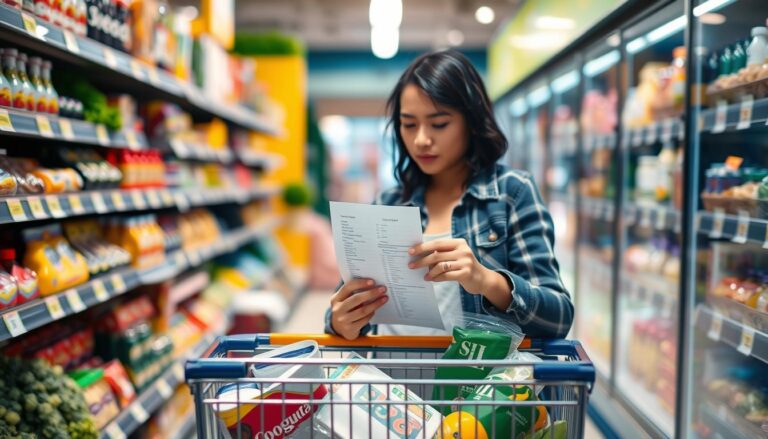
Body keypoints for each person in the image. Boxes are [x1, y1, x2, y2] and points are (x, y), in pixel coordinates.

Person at [325, 49, 573, 340]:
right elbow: (341, 310)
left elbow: (558, 318)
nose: (421, 140)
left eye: (439, 124)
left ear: (471, 121)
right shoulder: (387, 203)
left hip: (478, 383)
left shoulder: (511, 194)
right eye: (408, 124)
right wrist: (340, 321)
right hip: (388, 380)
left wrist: (485, 280)